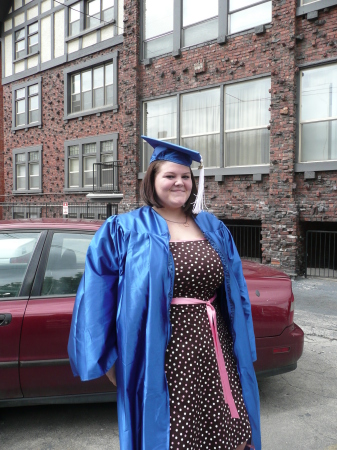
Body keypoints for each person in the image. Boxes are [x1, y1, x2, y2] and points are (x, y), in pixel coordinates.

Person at [68, 136, 261, 450]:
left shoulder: (211, 226)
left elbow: (235, 292)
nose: (179, 182)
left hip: (215, 348)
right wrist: (110, 359)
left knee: (230, 431)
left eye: (185, 176)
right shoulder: (126, 229)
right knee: (175, 435)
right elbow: (96, 295)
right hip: (161, 352)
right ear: (152, 180)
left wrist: (242, 344)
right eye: (170, 176)